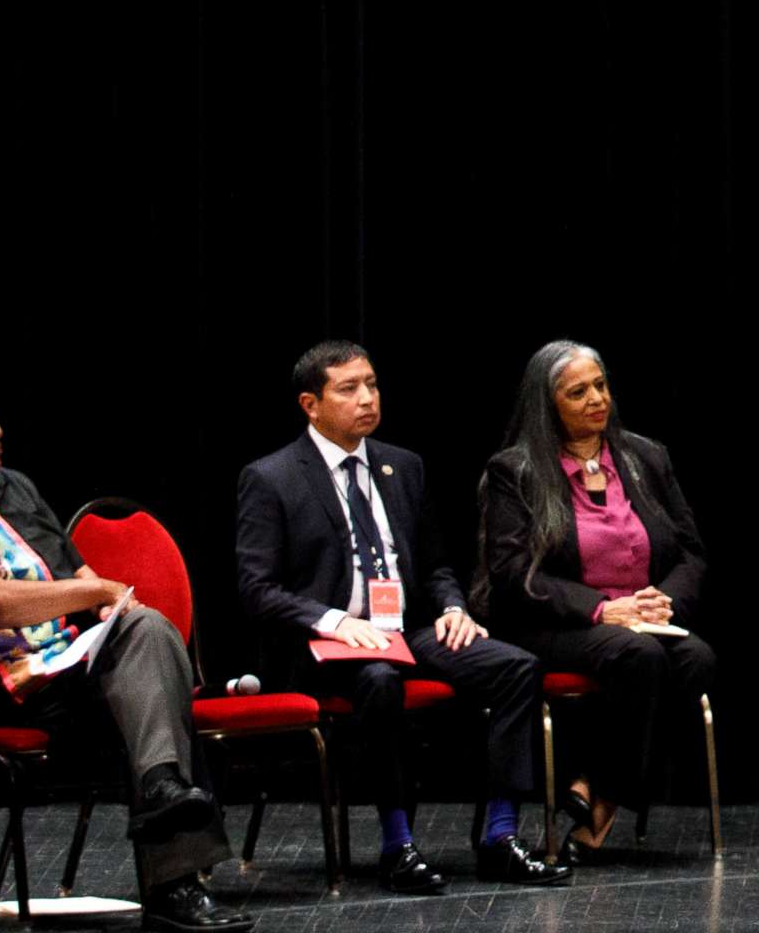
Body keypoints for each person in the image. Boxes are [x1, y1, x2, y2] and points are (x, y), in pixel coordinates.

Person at [0, 373, 251, 932]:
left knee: (146, 630)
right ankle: (175, 882)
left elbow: (72, 571)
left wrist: (105, 609)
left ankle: (161, 793)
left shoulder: (15, 488)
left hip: (65, 672)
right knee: (153, 693)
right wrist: (99, 592)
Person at [233, 341, 570, 893]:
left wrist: (454, 608)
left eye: (372, 384)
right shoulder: (272, 478)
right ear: (309, 404)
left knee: (517, 668)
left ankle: (500, 837)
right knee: (379, 680)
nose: (367, 398)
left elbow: (434, 564)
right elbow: (257, 591)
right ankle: (398, 844)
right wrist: (336, 621)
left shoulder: (402, 466)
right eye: (348, 388)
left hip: (405, 631)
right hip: (324, 647)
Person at [480, 339, 715, 860]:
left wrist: (664, 600)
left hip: (643, 620)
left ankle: (598, 790)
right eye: (578, 392)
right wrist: (601, 608)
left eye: (601, 385)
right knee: (640, 656)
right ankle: (603, 798)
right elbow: (512, 571)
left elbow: (691, 551)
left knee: (698, 658)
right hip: (555, 621)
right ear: (548, 406)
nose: (596, 399)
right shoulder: (515, 470)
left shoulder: (645, 457)